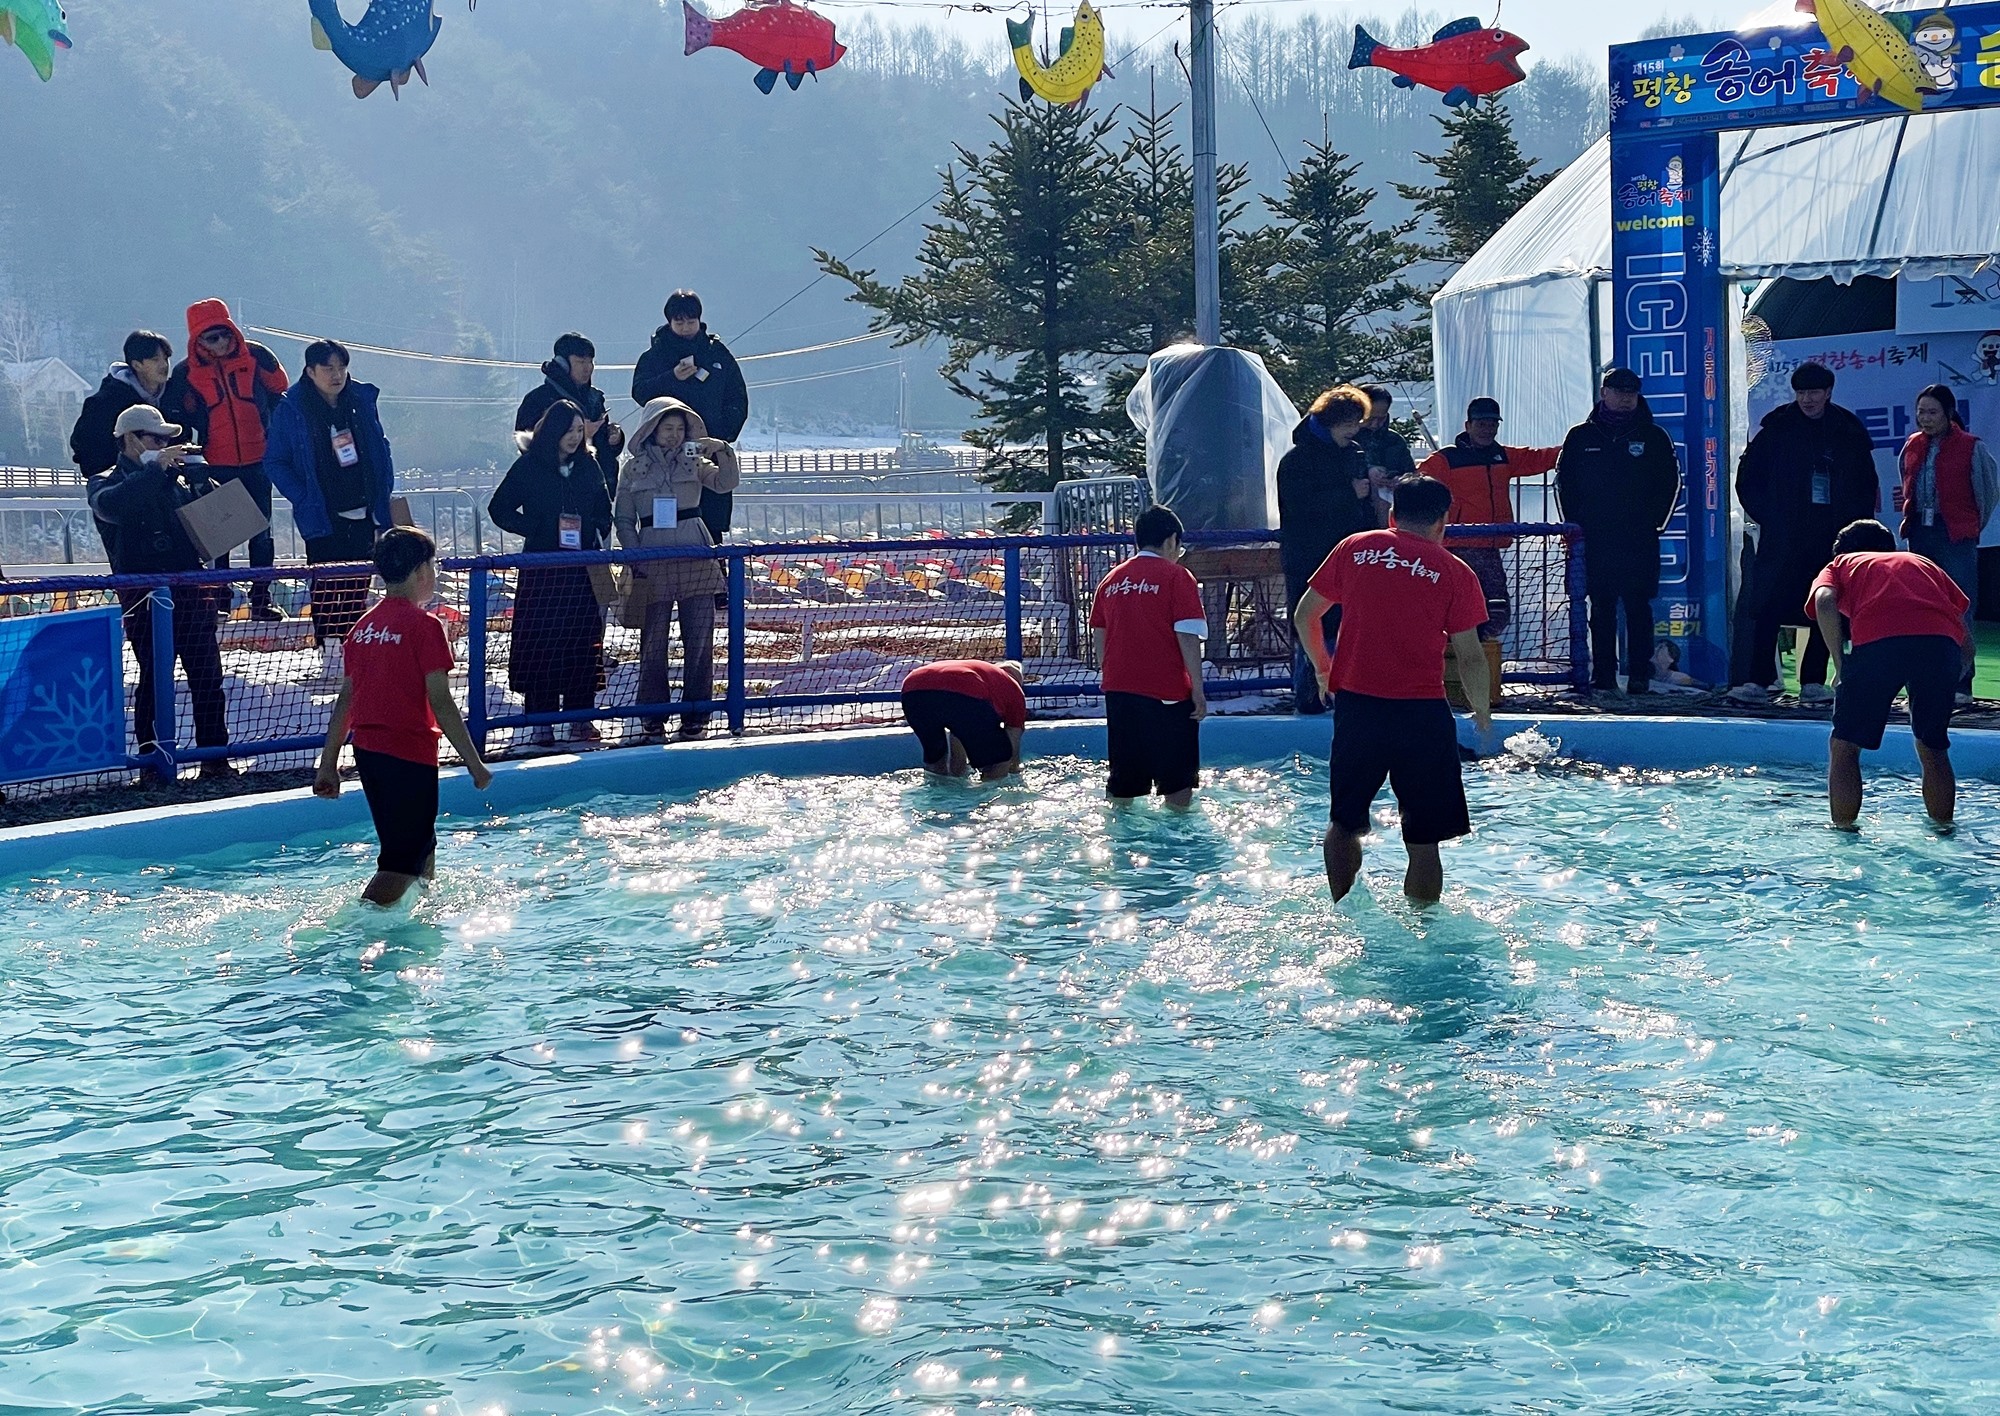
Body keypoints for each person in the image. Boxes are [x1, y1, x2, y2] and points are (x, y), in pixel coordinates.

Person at [1292, 475, 1490, 905]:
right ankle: (1422, 929)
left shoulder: (1355, 548)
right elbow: (1471, 656)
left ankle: (1341, 907)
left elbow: (1305, 615)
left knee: (1343, 823)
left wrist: (1324, 671)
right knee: (1424, 839)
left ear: (1393, 514)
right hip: (1421, 713)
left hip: (1358, 708)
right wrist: (1482, 711)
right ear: (1443, 521)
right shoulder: (1455, 572)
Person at [314, 527, 494, 906]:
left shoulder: (363, 628)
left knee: (419, 843)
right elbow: (441, 702)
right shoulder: (425, 627)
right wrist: (474, 763)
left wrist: (328, 764)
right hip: (408, 753)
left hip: (370, 752)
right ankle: (354, 928)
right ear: (420, 571)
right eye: (434, 564)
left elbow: (346, 700)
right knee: (400, 862)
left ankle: (419, 913)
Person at [85, 406, 232, 777]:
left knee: (208, 677)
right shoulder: (105, 481)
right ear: (130, 439)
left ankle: (215, 759)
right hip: (144, 595)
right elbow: (114, 507)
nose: (165, 446)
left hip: (189, 588)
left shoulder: (176, 478)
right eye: (156, 439)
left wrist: (201, 480)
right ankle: (153, 764)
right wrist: (155, 470)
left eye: (168, 439)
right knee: (153, 679)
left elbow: (219, 528)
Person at [1726, 361, 1878, 706]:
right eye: (1801, 392)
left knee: (1825, 606)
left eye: (1814, 392)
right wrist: (1769, 516)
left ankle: (1813, 681)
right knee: (1767, 607)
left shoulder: (1848, 430)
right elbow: (1747, 479)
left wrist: (1853, 535)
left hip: (1831, 537)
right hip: (1783, 536)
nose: (1807, 399)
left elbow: (1867, 485)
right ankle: (1758, 681)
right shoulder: (1777, 427)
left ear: (1828, 393)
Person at [1808, 518, 1968, 829]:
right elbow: (1966, 639)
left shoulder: (1842, 564)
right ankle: (1944, 829)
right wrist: (1947, 676)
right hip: (1941, 647)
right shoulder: (1922, 563)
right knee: (1932, 745)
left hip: (1880, 643)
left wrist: (1841, 665)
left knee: (1844, 746)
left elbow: (1824, 601)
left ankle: (1844, 831)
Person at [1415, 395, 1562, 704]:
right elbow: (1417, 489)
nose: (1487, 429)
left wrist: (1573, 445)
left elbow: (1542, 457)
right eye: (1481, 423)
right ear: (1467, 425)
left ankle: (1470, 657)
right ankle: (1448, 666)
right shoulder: (1445, 460)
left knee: (1496, 609)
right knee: (1453, 609)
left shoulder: (1504, 457)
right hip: (1456, 548)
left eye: (1492, 423)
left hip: (1489, 548)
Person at [265, 339, 396, 679]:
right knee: (325, 586)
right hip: (323, 513)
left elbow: (381, 448)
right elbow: (275, 461)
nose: (336, 375)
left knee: (358, 585)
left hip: (364, 508)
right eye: (328, 368)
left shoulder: (361, 401)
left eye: (341, 367)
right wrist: (303, 497)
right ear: (310, 371)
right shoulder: (292, 408)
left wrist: (383, 489)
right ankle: (330, 651)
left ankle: (355, 650)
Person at [613, 397, 741, 740]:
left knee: (699, 638)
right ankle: (652, 715)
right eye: (667, 428)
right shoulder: (634, 468)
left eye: (679, 428)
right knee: (652, 641)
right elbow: (623, 518)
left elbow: (725, 483)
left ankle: (696, 716)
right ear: (652, 430)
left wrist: (722, 450)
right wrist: (634, 553)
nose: (673, 435)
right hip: (651, 559)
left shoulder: (695, 462)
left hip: (696, 555)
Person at [489, 400, 613, 748]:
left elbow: (604, 509)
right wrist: (537, 528)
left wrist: (594, 530)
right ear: (551, 431)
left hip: (580, 569)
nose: (574, 437)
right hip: (541, 569)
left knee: (582, 640)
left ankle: (580, 718)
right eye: (568, 430)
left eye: (578, 430)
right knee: (541, 642)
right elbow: (499, 508)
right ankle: (541, 720)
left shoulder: (588, 465)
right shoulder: (529, 466)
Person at [1555, 367, 1682, 697]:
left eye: (1632, 392)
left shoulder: (1654, 436)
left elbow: (1670, 484)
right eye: (1619, 391)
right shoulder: (1580, 436)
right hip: (1595, 539)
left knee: (1639, 607)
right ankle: (1604, 675)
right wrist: (1574, 529)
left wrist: (1655, 524)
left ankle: (1640, 673)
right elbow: (1564, 485)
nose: (1626, 398)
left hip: (1639, 538)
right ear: (1603, 393)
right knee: (1601, 606)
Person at [162, 300, 290, 620]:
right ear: (197, 340)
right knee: (220, 537)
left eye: (224, 334)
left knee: (262, 533)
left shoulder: (257, 356)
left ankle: (261, 599)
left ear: (233, 331)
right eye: (210, 337)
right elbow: (174, 418)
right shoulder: (185, 374)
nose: (220, 343)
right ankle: (220, 597)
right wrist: (188, 457)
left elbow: (280, 391)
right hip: (215, 462)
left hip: (258, 460)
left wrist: (279, 440)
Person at [1089, 504, 1208, 808]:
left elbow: (1099, 634)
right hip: (1166, 691)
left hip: (1118, 691)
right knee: (1177, 785)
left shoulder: (1110, 580)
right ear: (1171, 541)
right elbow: (1187, 636)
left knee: (1124, 783)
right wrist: (1197, 688)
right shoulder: (1177, 576)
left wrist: (1112, 673)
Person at [1278, 385, 1376, 715]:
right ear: (1332, 422)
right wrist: (1349, 494)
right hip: (1309, 556)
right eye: (1349, 424)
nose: (1355, 430)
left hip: (1349, 554)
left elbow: (1361, 504)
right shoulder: (1296, 460)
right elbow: (1297, 508)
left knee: (1347, 625)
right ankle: (1310, 697)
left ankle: (1344, 692)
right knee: (1312, 624)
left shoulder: (1352, 453)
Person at [1899, 383, 1999, 705]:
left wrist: (1969, 527)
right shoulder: (1913, 445)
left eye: (1932, 412)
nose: (1925, 419)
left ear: (1949, 413)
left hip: (1956, 537)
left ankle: (1961, 685)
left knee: (1959, 610)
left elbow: (1988, 491)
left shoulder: (1972, 447)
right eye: (1921, 413)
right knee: (1920, 608)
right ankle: (1922, 684)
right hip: (1921, 535)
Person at [631, 291, 749, 544]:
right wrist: (672, 378)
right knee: (670, 520)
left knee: (712, 523)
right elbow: (640, 392)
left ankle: (716, 576)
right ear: (669, 323)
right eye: (679, 322)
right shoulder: (655, 356)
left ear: (700, 320)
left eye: (691, 321)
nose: (686, 328)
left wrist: (720, 437)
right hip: (665, 454)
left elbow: (737, 397)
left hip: (707, 450)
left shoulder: (717, 353)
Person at [516, 332, 625, 501]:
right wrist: (578, 435)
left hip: (594, 490)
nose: (587, 367)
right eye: (581, 362)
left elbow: (604, 450)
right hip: (552, 491)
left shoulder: (595, 399)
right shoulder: (538, 399)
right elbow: (527, 445)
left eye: (590, 361)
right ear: (563, 364)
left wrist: (614, 439)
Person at [69, 331, 175, 480]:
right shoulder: (105, 402)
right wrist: (112, 477)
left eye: (166, 358)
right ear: (137, 364)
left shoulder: (175, 395)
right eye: (155, 359)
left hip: (169, 484)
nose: (164, 365)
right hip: (121, 487)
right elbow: (83, 444)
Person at [898, 659, 1027, 781]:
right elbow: (1013, 739)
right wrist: (1014, 768)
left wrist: (958, 771)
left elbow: (959, 733)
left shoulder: (982, 671)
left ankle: (937, 798)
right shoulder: (1013, 689)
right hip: (965, 689)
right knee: (999, 760)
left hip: (912, 689)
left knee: (936, 758)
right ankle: (988, 799)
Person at [1355, 384, 1417, 527]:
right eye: (1370, 418)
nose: (1375, 424)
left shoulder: (1395, 441)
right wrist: (1367, 472)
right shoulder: (1345, 438)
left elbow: (1412, 475)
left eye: (1381, 418)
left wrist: (1399, 481)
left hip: (1389, 517)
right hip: (1354, 519)